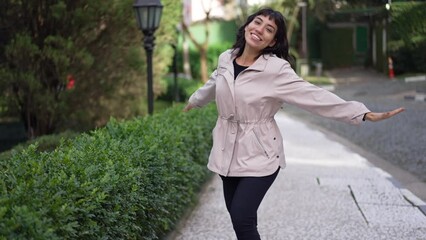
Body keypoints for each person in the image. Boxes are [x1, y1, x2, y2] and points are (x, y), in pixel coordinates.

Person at [183, 8, 404, 240]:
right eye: (257, 22)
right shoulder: (226, 58)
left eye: (269, 29)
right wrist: (193, 101)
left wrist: (362, 113)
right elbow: (215, 82)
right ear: (247, 25)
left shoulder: (276, 70)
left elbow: (313, 96)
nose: (260, 29)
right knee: (241, 220)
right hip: (225, 151)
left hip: (261, 154)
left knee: (241, 217)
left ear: (273, 41)